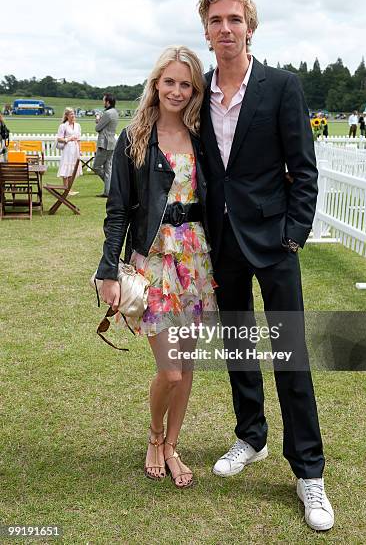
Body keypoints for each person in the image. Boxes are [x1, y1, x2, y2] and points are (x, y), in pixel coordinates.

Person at [197, 0, 334, 531]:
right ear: (205, 32)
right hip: (221, 242)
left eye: (235, 19)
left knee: (291, 356)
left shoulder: (281, 87)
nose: (226, 29)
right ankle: (249, 435)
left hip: (275, 243)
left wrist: (294, 234)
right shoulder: (198, 92)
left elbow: (304, 168)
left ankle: (309, 472)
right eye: (216, 21)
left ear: (250, 26)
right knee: (237, 346)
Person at [95, 46, 217, 488]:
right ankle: (153, 436)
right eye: (170, 82)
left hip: (197, 261)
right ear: (156, 83)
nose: (178, 91)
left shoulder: (204, 137)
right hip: (154, 261)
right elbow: (117, 211)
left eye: (187, 84)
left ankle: (172, 446)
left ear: (195, 89)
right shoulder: (135, 136)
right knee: (168, 369)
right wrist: (108, 270)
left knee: (186, 367)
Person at [93, 93, 119, 197]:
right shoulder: (115, 112)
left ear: (108, 102)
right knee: (108, 168)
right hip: (112, 143)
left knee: (96, 166)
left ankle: (111, 187)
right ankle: (108, 192)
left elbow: (98, 128)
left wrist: (98, 119)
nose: (103, 102)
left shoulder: (107, 113)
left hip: (104, 144)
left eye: (104, 100)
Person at [57, 108, 82, 191]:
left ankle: (69, 189)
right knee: (66, 168)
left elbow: (79, 139)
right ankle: (66, 188)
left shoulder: (78, 125)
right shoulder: (63, 126)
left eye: (73, 114)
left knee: (73, 169)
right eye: (71, 114)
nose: (73, 116)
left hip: (75, 149)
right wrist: (68, 139)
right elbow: (59, 139)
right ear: (67, 116)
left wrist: (80, 150)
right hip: (67, 149)